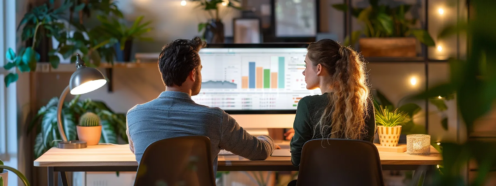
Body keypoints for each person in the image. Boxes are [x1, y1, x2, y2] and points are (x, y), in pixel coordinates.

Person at [126, 37, 275, 173]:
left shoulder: (134, 115)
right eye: (200, 70)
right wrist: (268, 140)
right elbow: (259, 151)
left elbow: (139, 150)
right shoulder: (215, 119)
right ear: (193, 74)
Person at [290, 39, 376, 167]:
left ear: (319, 68)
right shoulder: (365, 104)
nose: (303, 72)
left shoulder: (307, 105)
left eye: (306, 65)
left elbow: (297, 160)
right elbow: (366, 154)